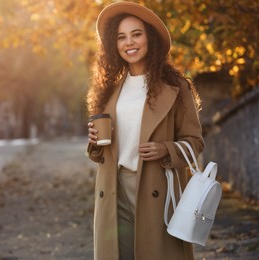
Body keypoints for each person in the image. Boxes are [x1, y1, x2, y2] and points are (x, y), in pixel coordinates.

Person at [86, 2, 204, 260]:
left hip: (156, 187)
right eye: (121, 37)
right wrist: (95, 142)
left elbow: (195, 142)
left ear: (149, 37)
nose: (129, 42)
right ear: (113, 44)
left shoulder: (175, 87)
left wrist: (166, 149)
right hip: (115, 189)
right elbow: (103, 151)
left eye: (136, 34)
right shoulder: (109, 91)